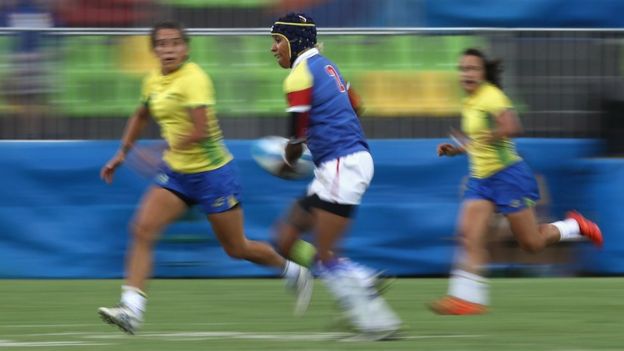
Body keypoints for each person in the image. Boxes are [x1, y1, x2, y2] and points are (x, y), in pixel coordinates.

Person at [97, 20, 312, 334]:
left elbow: (198, 131)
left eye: (174, 43)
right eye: (161, 44)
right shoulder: (153, 81)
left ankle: (293, 271)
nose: (168, 49)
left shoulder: (195, 79)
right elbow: (140, 114)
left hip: (213, 175)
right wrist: (122, 152)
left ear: (185, 48)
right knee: (142, 229)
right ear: (154, 49)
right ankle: (131, 310)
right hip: (177, 175)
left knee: (237, 248)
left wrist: (159, 149)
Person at [430, 48, 604, 315]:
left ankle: (574, 225)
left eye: (473, 69)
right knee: (468, 235)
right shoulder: (469, 102)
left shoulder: (491, 95)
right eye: (463, 69)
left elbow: (512, 128)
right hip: (481, 179)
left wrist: (487, 137)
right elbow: (480, 140)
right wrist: (457, 150)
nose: (467, 73)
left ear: (483, 73)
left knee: (531, 244)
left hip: (508, 176)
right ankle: (467, 299)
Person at [269, 13, 401, 339]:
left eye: (277, 41)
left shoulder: (298, 76)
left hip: (342, 164)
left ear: (294, 41)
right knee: (285, 237)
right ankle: (359, 290)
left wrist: (286, 162)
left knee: (327, 254)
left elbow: (296, 140)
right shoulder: (329, 66)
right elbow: (358, 106)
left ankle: (369, 299)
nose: (273, 49)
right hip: (339, 164)